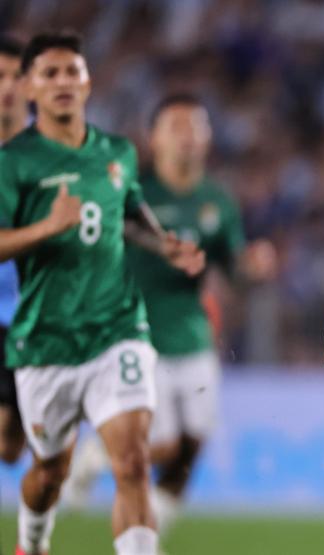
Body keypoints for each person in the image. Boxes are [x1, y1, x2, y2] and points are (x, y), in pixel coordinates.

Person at [0, 31, 204, 555]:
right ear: (30, 88)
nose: (64, 82)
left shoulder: (115, 152)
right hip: (45, 341)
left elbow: (129, 213)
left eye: (73, 71)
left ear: (89, 81)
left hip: (117, 328)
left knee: (133, 461)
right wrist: (46, 228)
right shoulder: (14, 162)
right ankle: (32, 541)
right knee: (48, 472)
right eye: (50, 74)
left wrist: (164, 245)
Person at [60, 93, 276, 533]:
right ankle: (100, 457)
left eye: (196, 127)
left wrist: (251, 267)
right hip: (135, 335)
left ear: (209, 137)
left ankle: (148, 527)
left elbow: (232, 271)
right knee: (161, 443)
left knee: (193, 443)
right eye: (176, 127)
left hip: (193, 335)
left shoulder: (217, 201)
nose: (188, 137)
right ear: (153, 138)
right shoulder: (130, 193)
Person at [0, 35, 28, 468]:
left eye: (16, 76)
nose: (7, 87)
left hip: (40, 318)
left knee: (12, 448)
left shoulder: (58, 155)